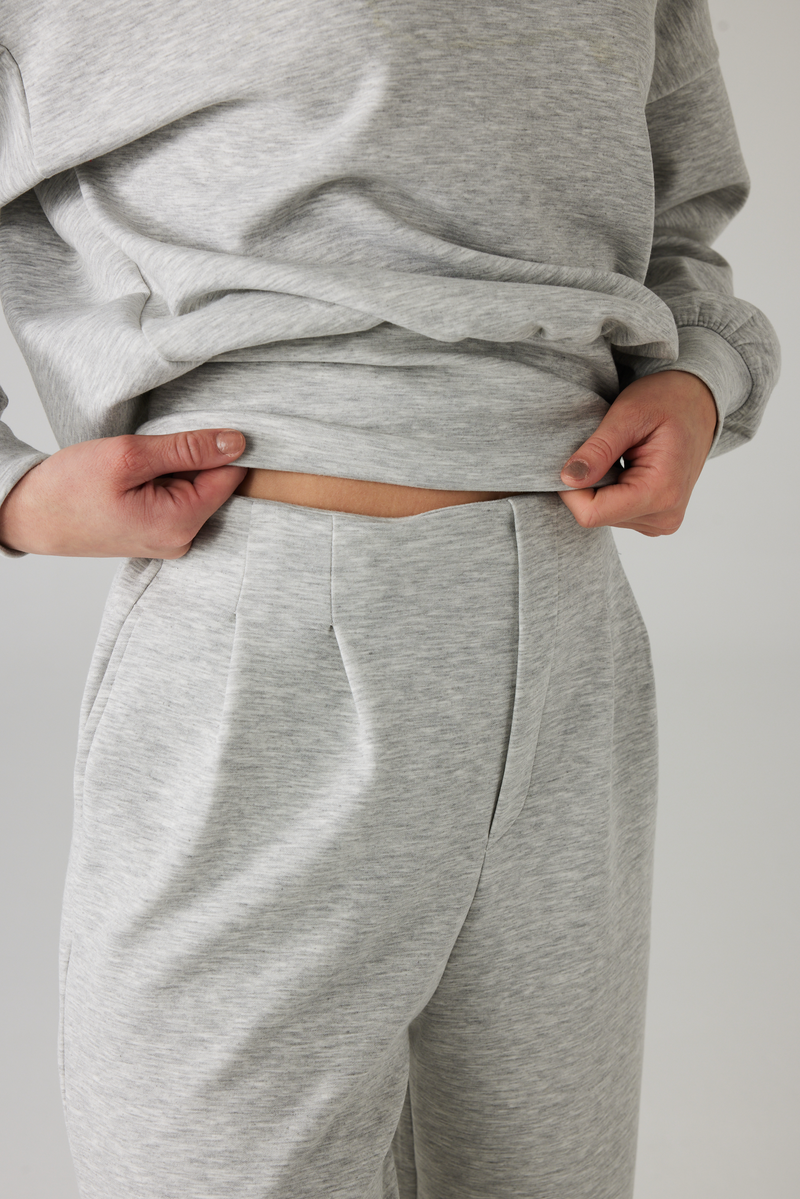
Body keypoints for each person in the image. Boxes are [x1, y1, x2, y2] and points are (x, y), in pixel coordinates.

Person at [0, 1, 780, 1196]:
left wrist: (697, 379)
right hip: (259, 629)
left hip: (565, 631)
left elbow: (673, 220)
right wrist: (11, 495)